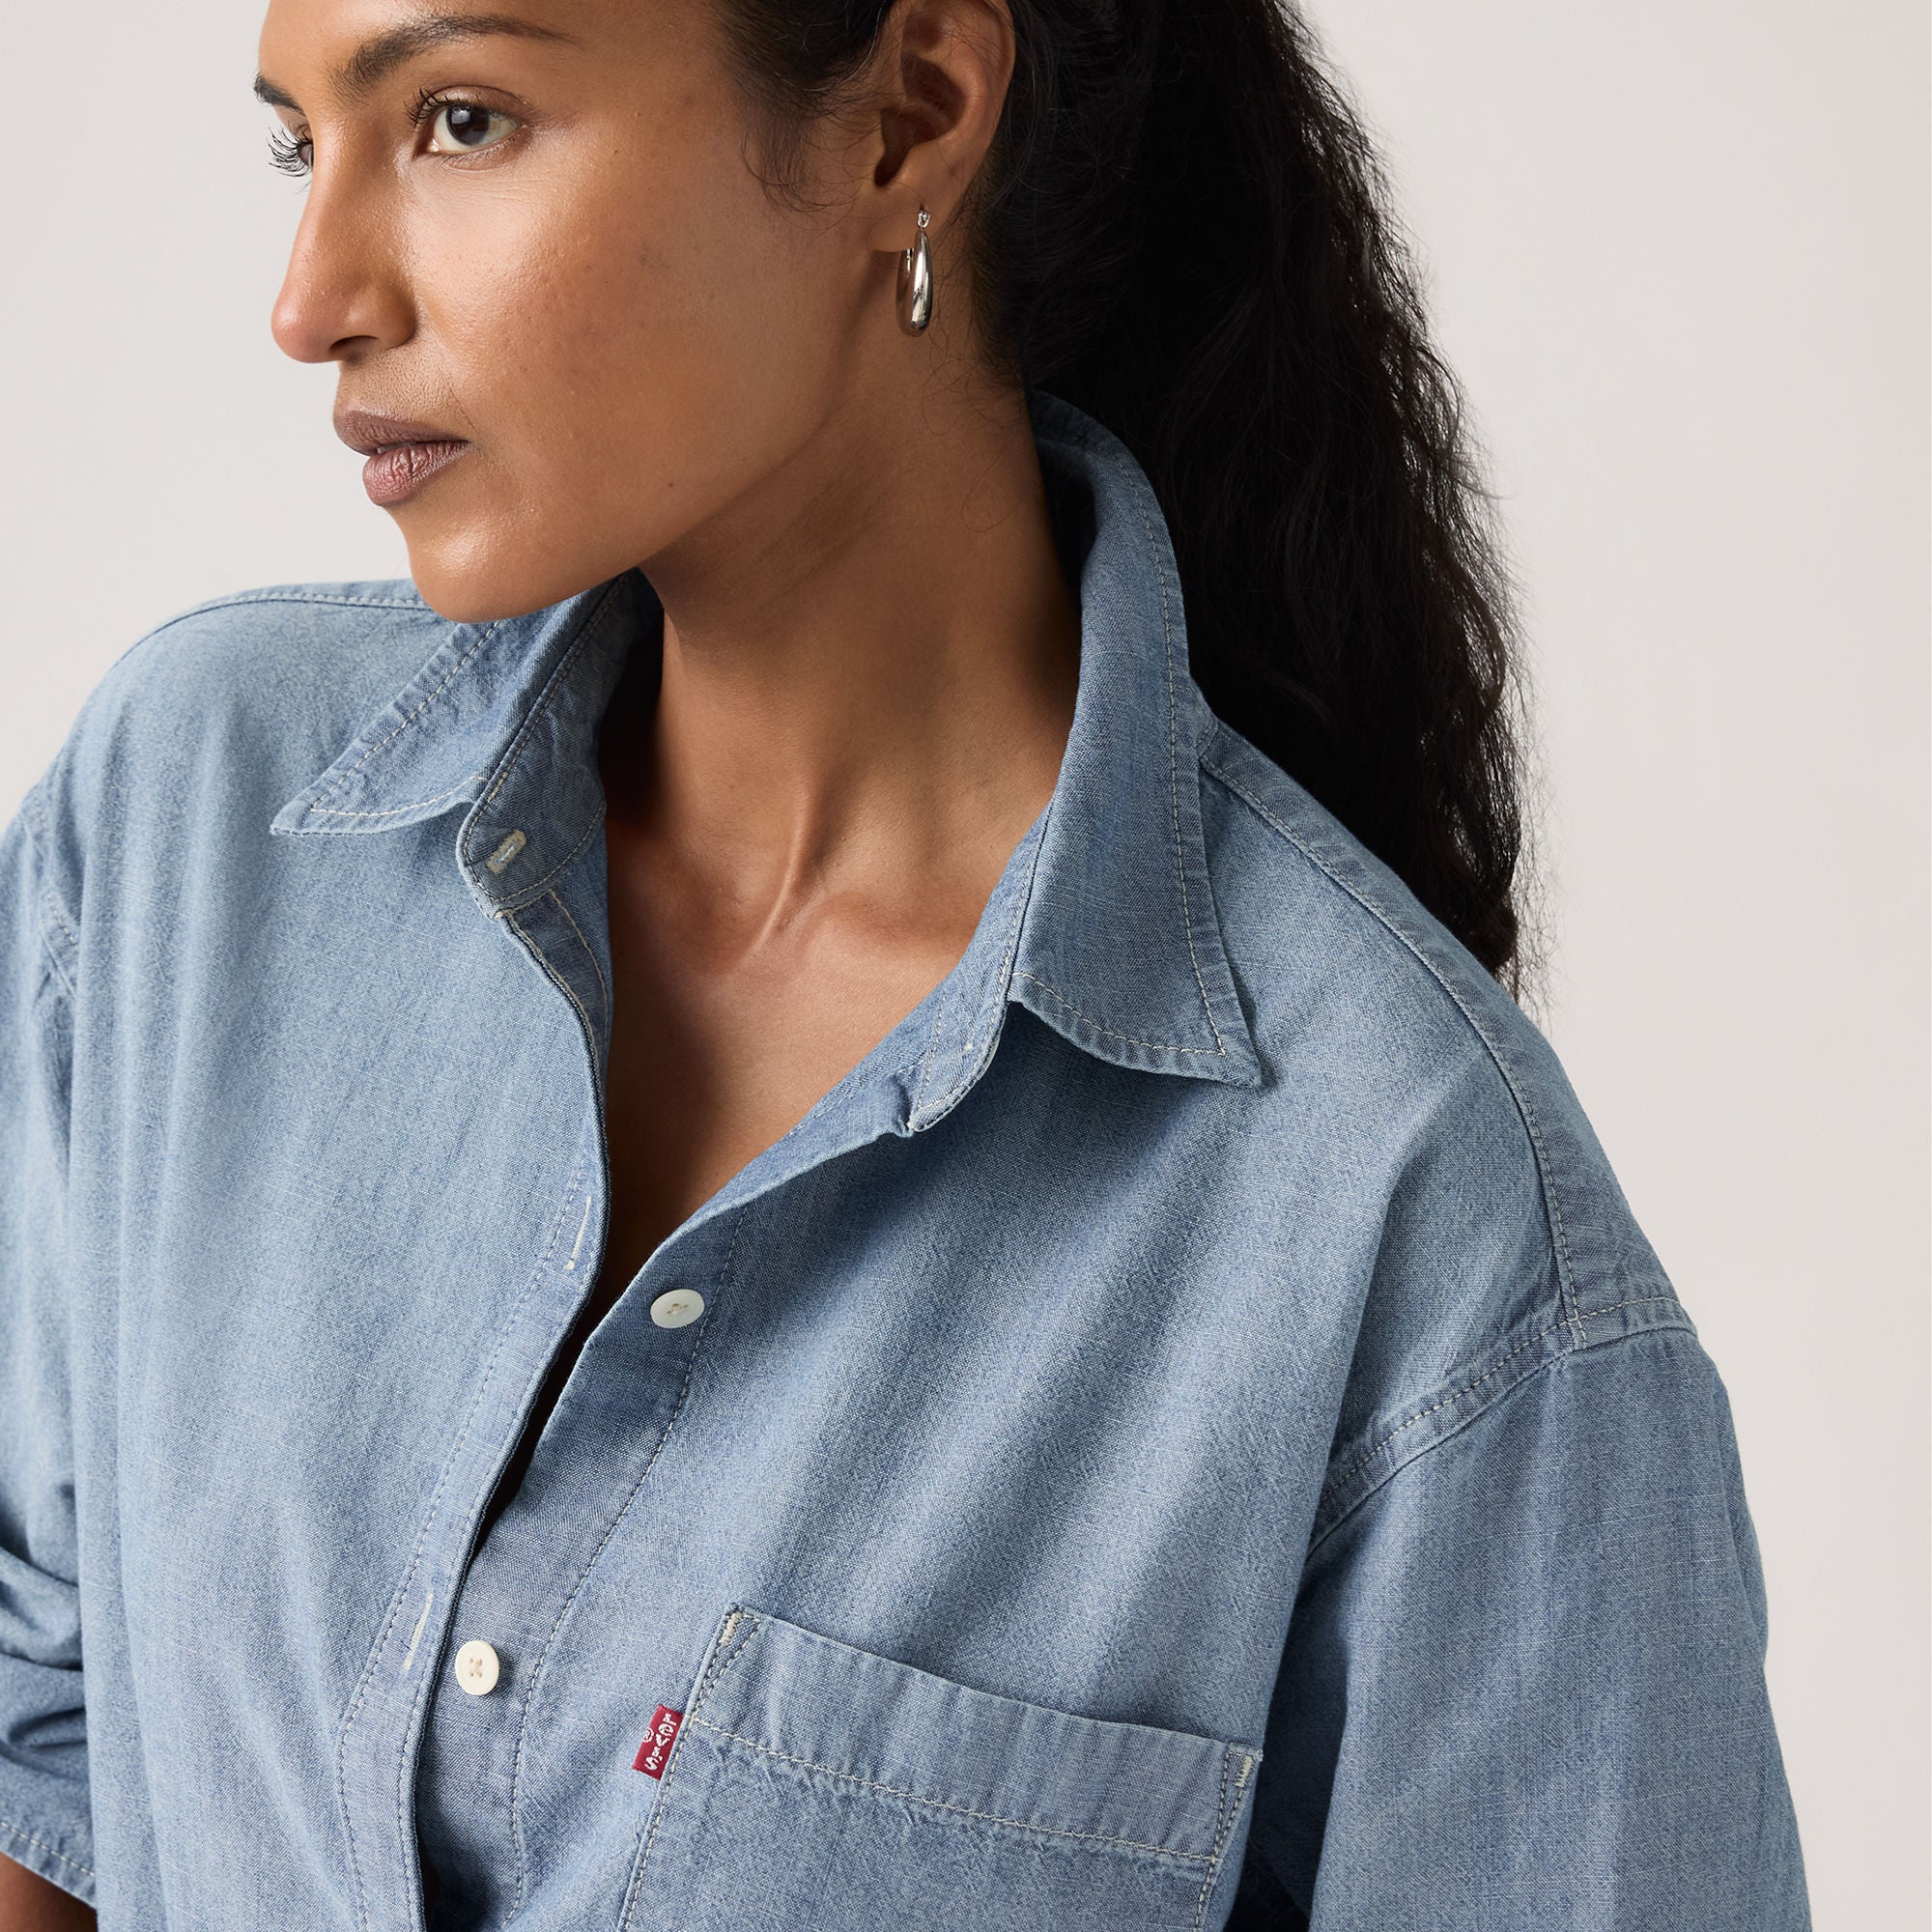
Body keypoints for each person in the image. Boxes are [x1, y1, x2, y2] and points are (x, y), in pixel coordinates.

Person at [0, 0, 1811, 1926]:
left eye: (460, 120)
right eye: (303, 144)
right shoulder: (185, 833)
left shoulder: (1418, 1224)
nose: (312, 303)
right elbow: (42, 1732)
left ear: (909, 116)